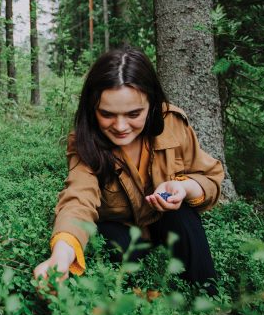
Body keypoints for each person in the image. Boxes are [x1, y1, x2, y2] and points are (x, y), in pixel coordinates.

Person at [33, 48, 223, 293]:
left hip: (165, 222)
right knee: (109, 241)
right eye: (107, 114)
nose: (121, 126)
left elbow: (210, 177)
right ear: (93, 108)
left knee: (184, 217)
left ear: (152, 104)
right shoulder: (85, 141)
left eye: (134, 114)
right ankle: (140, 298)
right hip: (119, 229)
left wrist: (184, 188)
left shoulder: (173, 123)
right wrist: (60, 256)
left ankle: (209, 301)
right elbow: (78, 199)